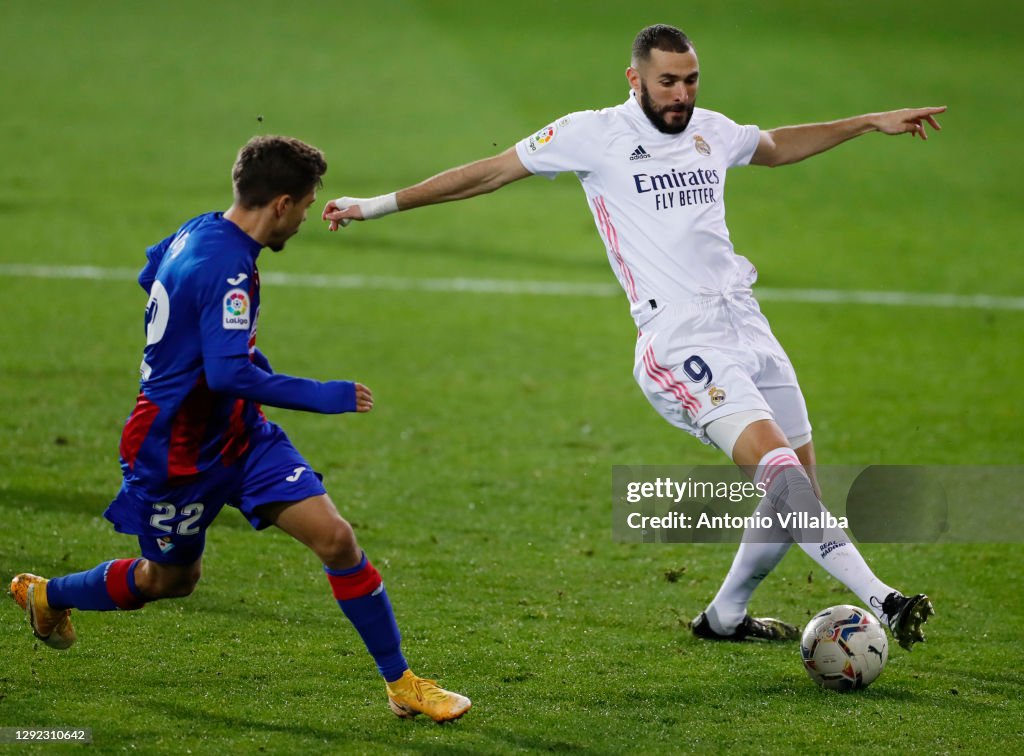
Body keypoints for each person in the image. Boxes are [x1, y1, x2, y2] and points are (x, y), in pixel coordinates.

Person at [322, 25, 941, 650]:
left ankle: (724, 618)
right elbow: (490, 173)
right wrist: (375, 205)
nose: (681, 94)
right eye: (667, 81)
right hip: (679, 337)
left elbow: (775, 145)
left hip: (745, 322)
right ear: (635, 79)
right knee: (781, 475)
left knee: (799, 489)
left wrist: (870, 121)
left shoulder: (711, 130)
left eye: (691, 80)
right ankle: (883, 599)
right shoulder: (594, 134)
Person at [10, 135, 471, 722]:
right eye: (304, 206)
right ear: (280, 203)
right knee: (170, 580)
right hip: (174, 450)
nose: (304, 219)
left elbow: (150, 274)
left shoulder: (199, 228)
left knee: (336, 540)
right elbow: (227, 371)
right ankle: (49, 594)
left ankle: (402, 682)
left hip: (241, 434)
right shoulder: (227, 267)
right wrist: (321, 395)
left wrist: (195, 349)